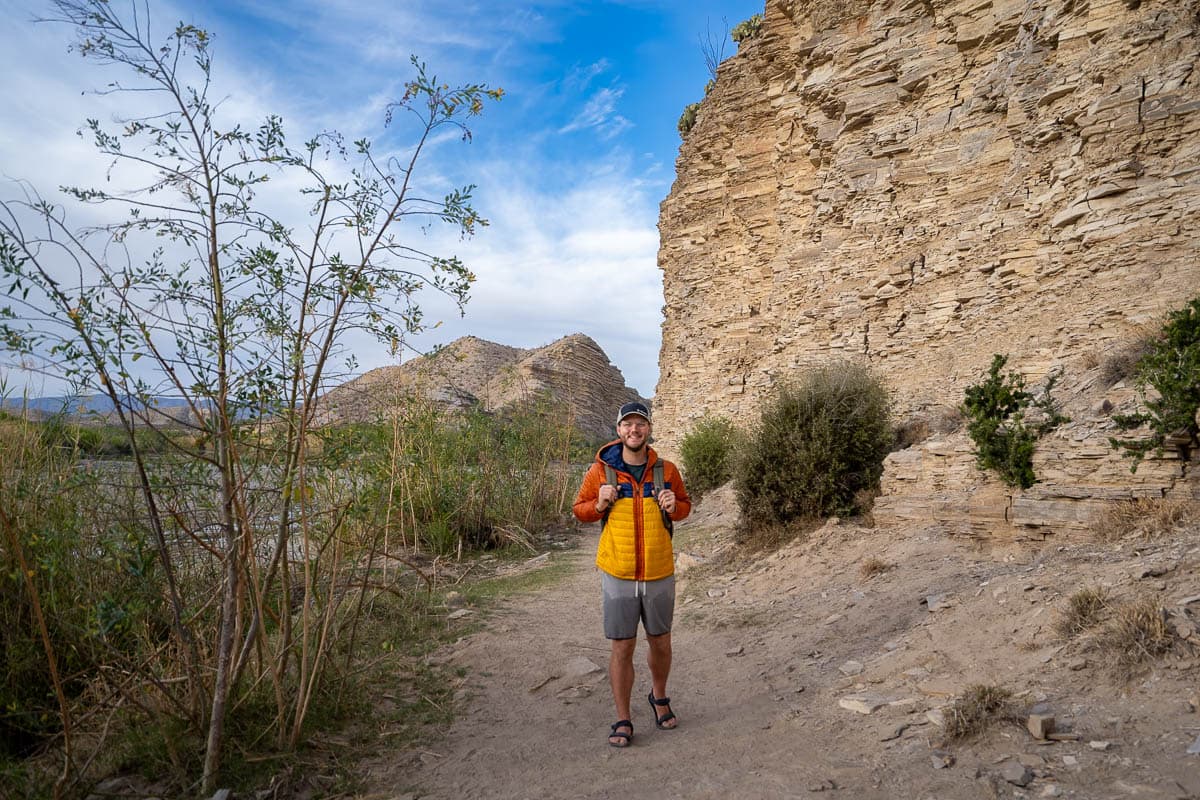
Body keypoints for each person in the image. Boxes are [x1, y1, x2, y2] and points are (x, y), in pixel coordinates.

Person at [572, 400, 692, 748]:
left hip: (658, 570)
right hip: (618, 571)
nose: (634, 430)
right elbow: (580, 512)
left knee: (661, 642)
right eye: (628, 425)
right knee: (622, 646)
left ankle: (659, 697)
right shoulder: (600, 472)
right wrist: (599, 503)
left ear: (649, 429)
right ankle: (623, 717)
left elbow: (684, 506)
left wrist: (675, 506)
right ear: (618, 430)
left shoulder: (666, 470)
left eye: (640, 424)